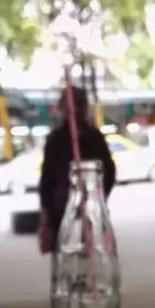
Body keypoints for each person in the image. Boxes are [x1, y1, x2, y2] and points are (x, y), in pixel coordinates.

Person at [38, 86, 116, 254]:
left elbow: (109, 172)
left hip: (91, 211)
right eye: (69, 105)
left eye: (79, 104)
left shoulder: (95, 137)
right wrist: (45, 219)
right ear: (61, 107)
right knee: (65, 257)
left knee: (93, 255)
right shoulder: (55, 139)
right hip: (61, 212)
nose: (74, 109)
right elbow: (46, 182)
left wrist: (98, 198)